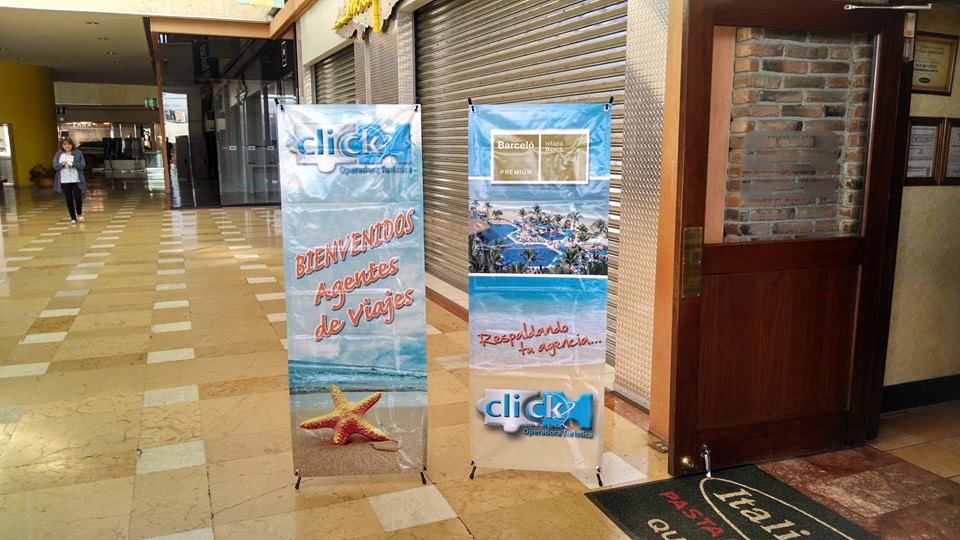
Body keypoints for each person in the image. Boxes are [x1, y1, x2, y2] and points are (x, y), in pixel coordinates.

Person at [52, 137, 86, 224]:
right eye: (65, 144)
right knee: (69, 199)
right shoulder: (58, 154)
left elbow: (82, 165)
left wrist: (73, 164)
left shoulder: (78, 153)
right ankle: (73, 218)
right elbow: (55, 166)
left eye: (69, 144)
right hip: (64, 180)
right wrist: (62, 164)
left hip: (76, 179)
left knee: (78, 197)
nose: (67, 146)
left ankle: (79, 214)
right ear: (62, 145)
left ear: (72, 145)